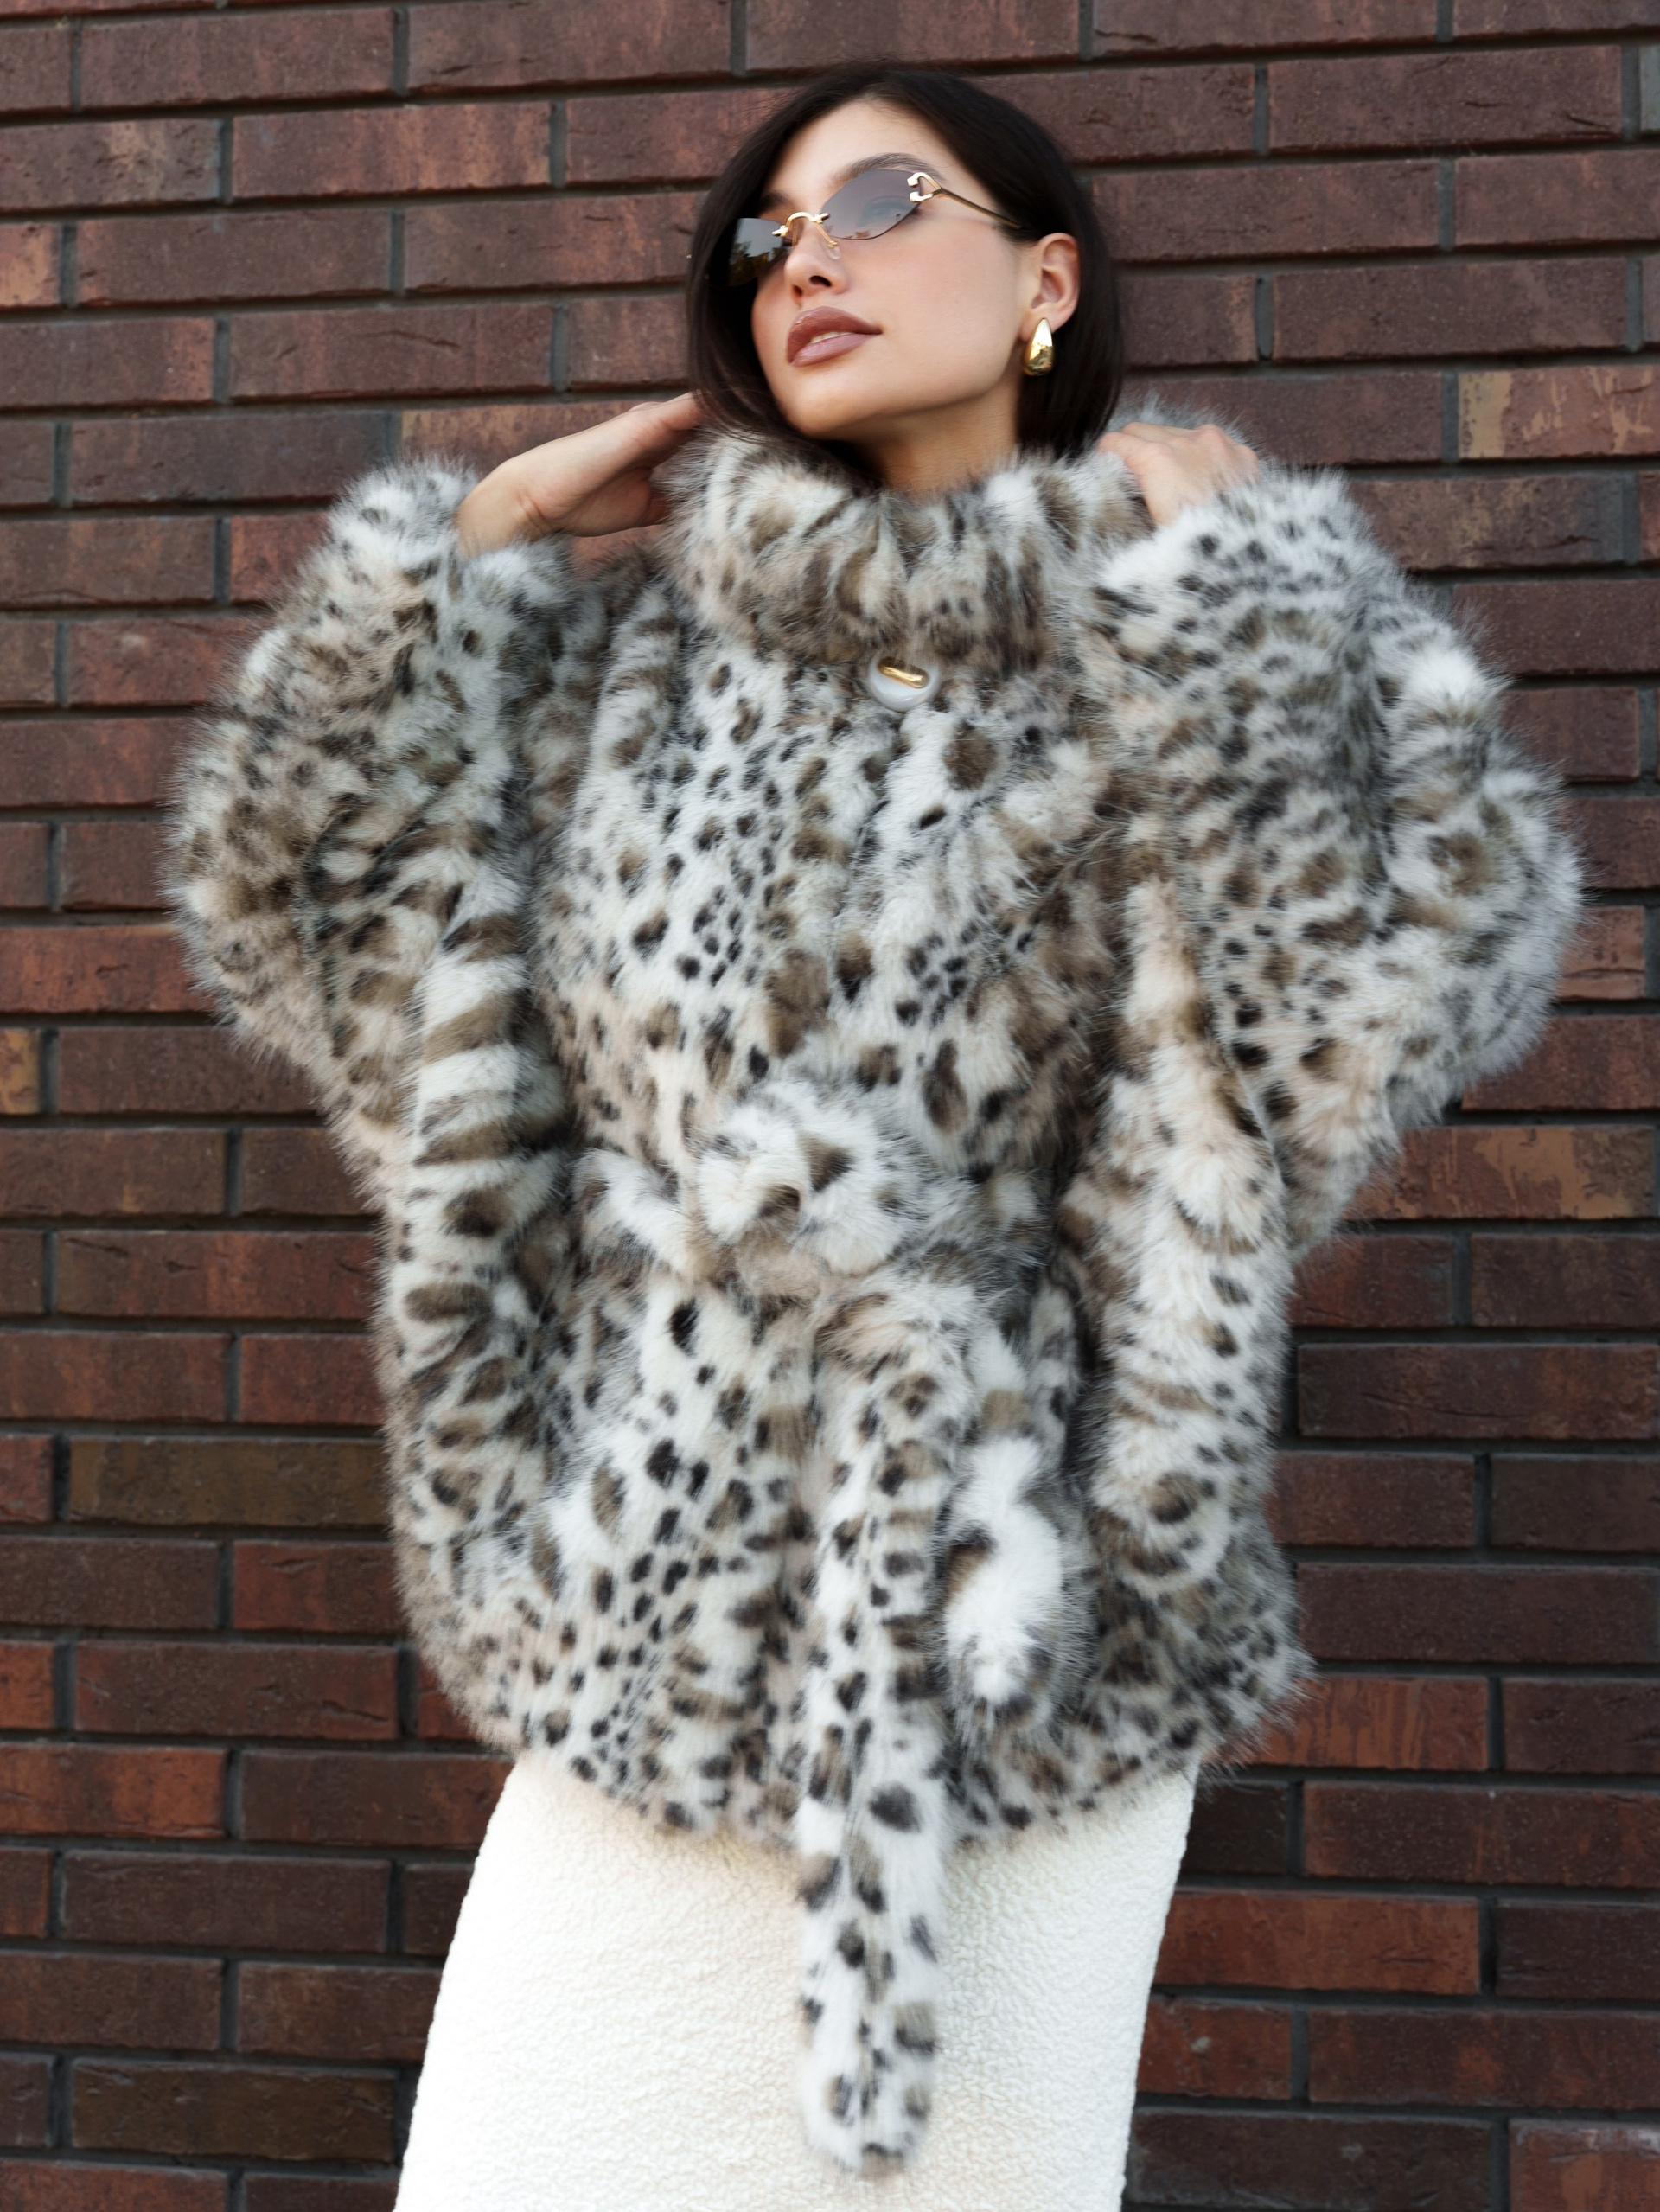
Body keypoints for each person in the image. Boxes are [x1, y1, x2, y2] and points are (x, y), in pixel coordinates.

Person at [165, 61, 1585, 2212]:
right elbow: (313, 925)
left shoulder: (1201, 624)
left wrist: (1259, 617)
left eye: (883, 203)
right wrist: (463, 559)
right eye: (770, 233)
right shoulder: (638, 672)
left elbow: (1374, 1007)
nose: (805, 261)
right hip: (643, 1649)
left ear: (1046, 279)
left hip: (1019, 1673)